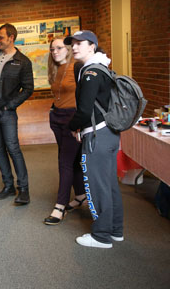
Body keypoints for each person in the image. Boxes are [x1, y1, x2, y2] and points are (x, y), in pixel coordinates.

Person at [64, 30, 122, 248]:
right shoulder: (102, 68)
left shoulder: (90, 73)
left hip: (97, 135)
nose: (75, 47)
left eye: (80, 43)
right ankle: (115, 230)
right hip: (109, 134)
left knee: (97, 187)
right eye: (73, 44)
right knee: (109, 185)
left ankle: (101, 236)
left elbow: (84, 110)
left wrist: (71, 127)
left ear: (92, 46)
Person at [0, 23, 34, 204]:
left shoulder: (23, 62)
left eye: (1, 37)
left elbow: (28, 89)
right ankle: (8, 186)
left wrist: (10, 105)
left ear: (11, 38)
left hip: (6, 111)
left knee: (13, 148)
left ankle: (23, 189)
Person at [44, 36, 86, 225]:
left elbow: (84, 97)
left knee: (65, 162)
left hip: (72, 119)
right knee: (73, 160)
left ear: (68, 49)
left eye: (59, 48)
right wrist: (54, 110)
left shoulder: (76, 67)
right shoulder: (56, 69)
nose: (55, 52)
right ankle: (80, 196)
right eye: (52, 49)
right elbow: (59, 93)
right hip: (57, 117)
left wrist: (78, 123)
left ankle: (60, 206)